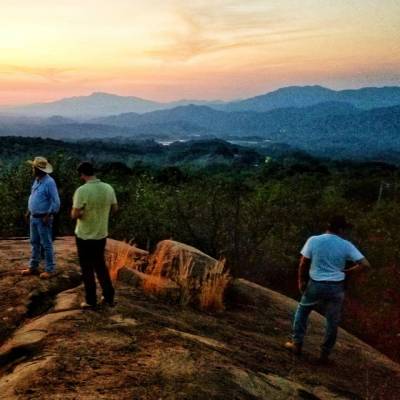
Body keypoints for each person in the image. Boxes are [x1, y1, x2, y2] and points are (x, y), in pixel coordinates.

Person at [284, 216, 370, 362]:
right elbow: (365, 265)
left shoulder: (314, 240)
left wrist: (301, 281)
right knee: (332, 321)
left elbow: (303, 263)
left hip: (315, 283)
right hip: (336, 287)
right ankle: (324, 354)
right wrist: (347, 272)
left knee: (302, 312)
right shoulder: (346, 245)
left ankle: (297, 344)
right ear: (341, 229)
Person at [71, 162, 118, 309]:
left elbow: (75, 214)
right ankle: (109, 297)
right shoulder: (108, 188)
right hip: (101, 234)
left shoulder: (82, 190)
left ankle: (91, 300)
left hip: (84, 235)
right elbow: (115, 208)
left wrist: (83, 212)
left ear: (82, 174)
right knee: (100, 266)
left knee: (87, 268)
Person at [22, 156, 60, 279]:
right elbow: (33, 197)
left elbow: (56, 201)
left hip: (44, 218)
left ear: (39, 169)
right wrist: (29, 211)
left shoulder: (49, 182)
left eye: (34, 167)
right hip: (34, 217)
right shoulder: (37, 180)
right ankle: (33, 267)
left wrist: (48, 214)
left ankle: (50, 269)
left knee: (46, 244)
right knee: (34, 242)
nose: (32, 169)